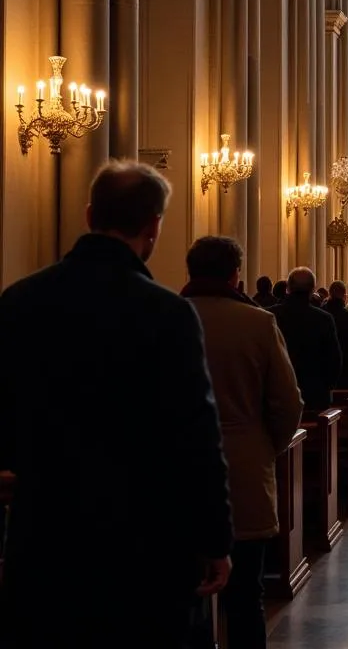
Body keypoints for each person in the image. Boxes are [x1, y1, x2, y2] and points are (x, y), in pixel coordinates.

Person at [0, 161, 232, 647]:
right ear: (154, 226)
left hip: (45, 534)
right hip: (145, 543)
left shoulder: (20, 300)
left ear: (88, 215)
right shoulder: (168, 314)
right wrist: (214, 538)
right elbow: (196, 438)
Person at [183, 236, 303, 648]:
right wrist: (267, 447)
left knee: (181, 596)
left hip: (174, 477)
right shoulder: (258, 323)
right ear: (236, 274)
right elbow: (289, 403)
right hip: (245, 474)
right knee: (245, 595)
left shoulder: (163, 318)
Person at [271, 267, 342, 413]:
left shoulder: (270, 316)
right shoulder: (324, 319)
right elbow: (334, 358)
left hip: (277, 395)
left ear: (288, 289)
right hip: (315, 395)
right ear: (312, 290)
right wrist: (326, 387)